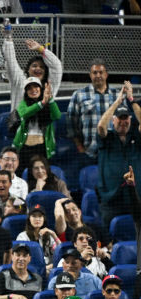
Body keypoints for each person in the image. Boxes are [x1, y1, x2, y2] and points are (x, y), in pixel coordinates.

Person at [95, 91, 141, 230]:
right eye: (119, 118)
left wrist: (131, 100)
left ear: (130, 119)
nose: (123, 122)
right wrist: (117, 102)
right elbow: (101, 127)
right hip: (111, 199)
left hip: (136, 197)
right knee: (109, 238)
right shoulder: (107, 138)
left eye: (126, 118)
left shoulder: (137, 137)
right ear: (113, 120)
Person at [68, 59, 118, 163]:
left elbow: (124, 122)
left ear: (106, 74)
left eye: (101, 72)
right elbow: (71, 125)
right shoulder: (79, 95)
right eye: (95, 72)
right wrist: (80, 148)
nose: (98, 75)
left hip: (114, 152)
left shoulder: (118, 95)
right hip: (89, 153)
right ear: (90, 75)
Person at [2, 32, 64, 114]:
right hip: (19, 125)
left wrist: (40, 49)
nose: (38, 68)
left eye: (42, 67)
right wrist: (8, 38)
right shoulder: (20, 82)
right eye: (34, 66)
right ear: (28, 70)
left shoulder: (49, 87)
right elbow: (11, 60)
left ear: (45, 72)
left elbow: (57, 66)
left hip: (42, 126)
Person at [13, 78, 61, 166]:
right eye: (29, 88)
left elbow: (57, 116)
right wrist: (41, 103)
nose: (33, 90)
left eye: (36, 86)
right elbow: (24, 113)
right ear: (26, 92)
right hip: (24, 148)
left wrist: (50, 99)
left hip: (42, 148)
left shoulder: (48, 104)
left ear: (40, 88)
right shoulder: (23, 104)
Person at [17, 204, 60, 271]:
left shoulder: (48, 235)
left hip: (49, 269)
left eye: (40, 216)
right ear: (29, 219)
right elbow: (21, 258)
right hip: (29, 270)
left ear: (44, 219)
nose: (37, 219)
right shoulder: (22, 236)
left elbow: (59, 252)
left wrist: (53, 234)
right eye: (34, 216)